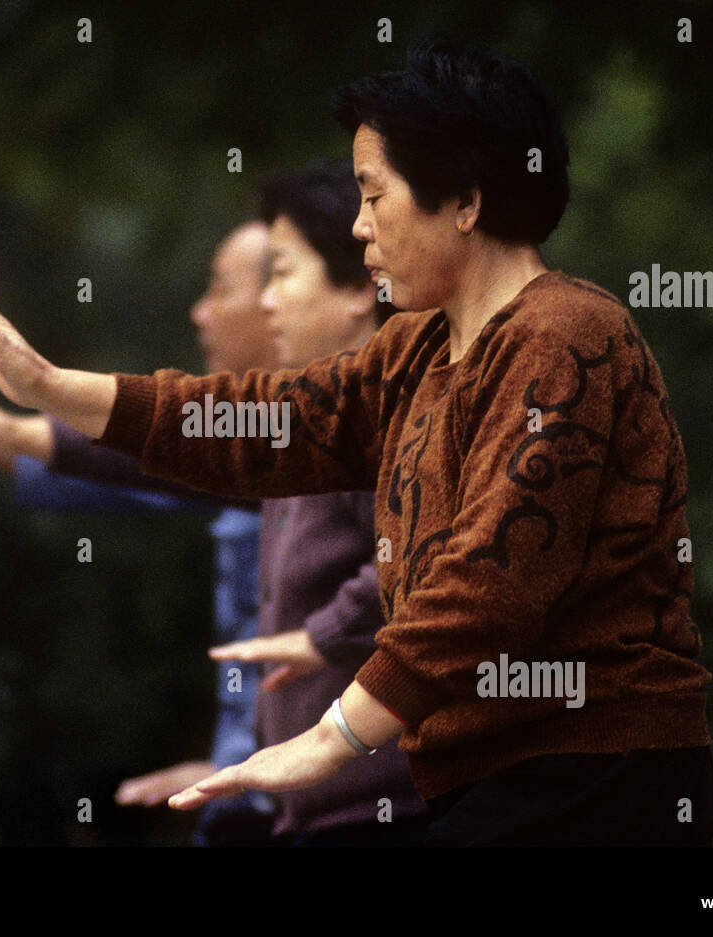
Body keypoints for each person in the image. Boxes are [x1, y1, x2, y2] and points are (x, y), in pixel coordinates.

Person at [0, 38, 713, 846]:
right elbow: (269, 418)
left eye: (374, 196)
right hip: (487, 783)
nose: (359, 225)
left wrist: (328, 738)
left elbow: (492, 579)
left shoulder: (563, 335)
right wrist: (51, 386)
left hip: (595, 781)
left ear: (466, 201)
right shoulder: (416, 351)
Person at [0, 223, 279, 845]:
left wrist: (34, 398)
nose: (199, 312)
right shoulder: (260, 445)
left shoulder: (333, 441)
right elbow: (153, 466)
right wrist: (4, 434)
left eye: (220, 288)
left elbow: (168, 450)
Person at [211, 161, 427, 843]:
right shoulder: (314, 409)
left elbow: (428, 558)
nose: (265, 301)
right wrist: (35, 422)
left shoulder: (390, 410)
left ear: (360, 289)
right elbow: (175, 446)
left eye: (282, 272)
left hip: (384, 812)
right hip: (322, 812)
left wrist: (323, 633)